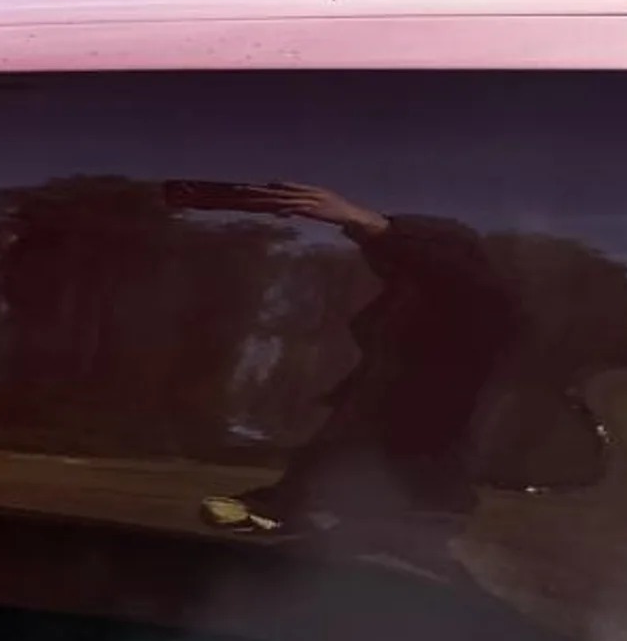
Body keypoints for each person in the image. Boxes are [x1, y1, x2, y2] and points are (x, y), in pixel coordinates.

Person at [194, 183, 521, 538]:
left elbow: (463, 281)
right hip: (371, 501)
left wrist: (372, 225)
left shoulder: (474, 310)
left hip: (416, 509)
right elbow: (349, 425)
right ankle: (292, 507)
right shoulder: (403, 316)